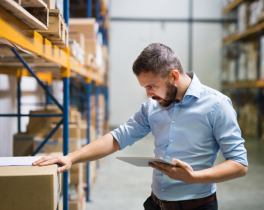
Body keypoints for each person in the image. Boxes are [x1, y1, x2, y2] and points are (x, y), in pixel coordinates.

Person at [33, 43, 248, 210]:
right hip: (156, 204)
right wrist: (71, 157)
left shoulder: (217, 105)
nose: (148, 95)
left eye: (152, 86)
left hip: (197, 206)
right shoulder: (152, 107)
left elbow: (239, 164)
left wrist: (193, 178)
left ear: (173, 76)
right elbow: (118, 137)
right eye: (145, 87)